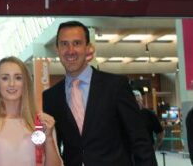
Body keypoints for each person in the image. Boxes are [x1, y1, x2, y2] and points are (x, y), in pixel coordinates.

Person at [42, 20, 157, 166]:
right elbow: (53, 147)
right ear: (57, 48)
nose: (70, 50)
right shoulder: (51, 97)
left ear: (88, 48)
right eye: (64, 44)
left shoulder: (116, 86)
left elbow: (140, 141)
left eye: (77, 43)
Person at [0, 56, 62, 166]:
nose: (11, 84)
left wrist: (49, 138)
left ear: (25, 83)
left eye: (18, 78)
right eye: (5, 78)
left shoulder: (42, 124)